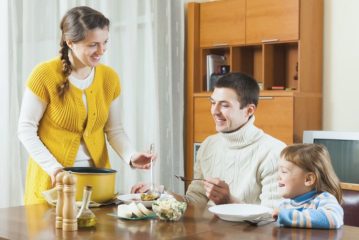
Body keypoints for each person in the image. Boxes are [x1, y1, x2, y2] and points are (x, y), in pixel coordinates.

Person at [18, 6, 153, 205]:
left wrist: (131, 156)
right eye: (93, 45)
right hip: (54, 185)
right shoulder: (44, 75)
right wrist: (54, 168)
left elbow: (114, 129)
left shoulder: (109, 78)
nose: (102, 51)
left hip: (97, 186)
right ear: (70, 42)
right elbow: (25, 130)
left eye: (105, 42)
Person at [132, 72, 285, 208]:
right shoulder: (208, 145)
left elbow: (272, 217)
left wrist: (229, 201)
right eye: (213, 103)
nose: (215, 111)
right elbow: (194, 202)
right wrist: (160, 193)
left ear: (249, 110)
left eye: (224, 105)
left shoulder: (274, 152)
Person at [273, 144, 343, 229]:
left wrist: (289, 216)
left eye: (284, 171)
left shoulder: (323, 199)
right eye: (279, 171)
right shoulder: (284, 204)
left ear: (308, 179)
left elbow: (333, 219)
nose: (278, 177)